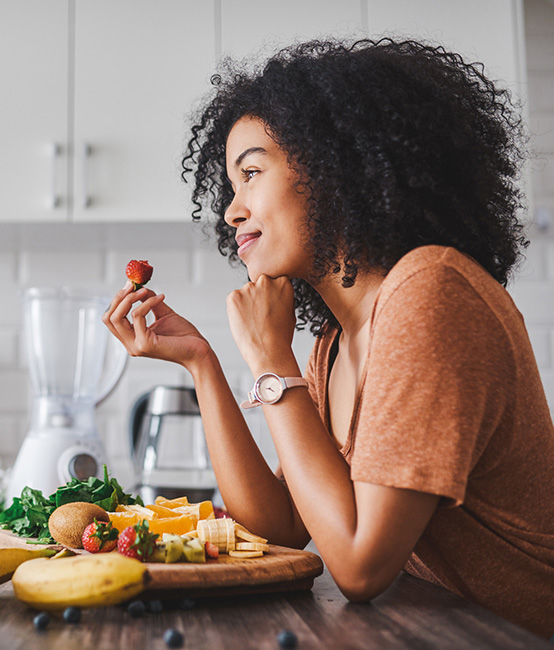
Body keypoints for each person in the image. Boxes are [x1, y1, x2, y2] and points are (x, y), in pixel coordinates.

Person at [103, 38, 554, 638]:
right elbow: (282, 526)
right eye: (230, 188)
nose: (232, 211)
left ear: (334, 168)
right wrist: (202, 364)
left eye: (252, 174)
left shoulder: (431, 293)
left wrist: (271, 360)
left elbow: (360, 565)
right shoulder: (334, 344)